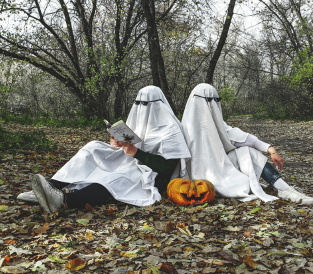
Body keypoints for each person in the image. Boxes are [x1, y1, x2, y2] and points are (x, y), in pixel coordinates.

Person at [18, 86, 191, 213]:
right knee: (93, 148)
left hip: (151, 175)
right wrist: (118, 143)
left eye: (147, 103)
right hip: (130, 160)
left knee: (114, 179)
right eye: (139, 103)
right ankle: (50, 187)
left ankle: (64, 200)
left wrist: (137, 153)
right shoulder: (138, 118)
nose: (143, 107)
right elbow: (133, 142)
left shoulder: (170, 129)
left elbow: (168, 167)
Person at [179, 83, 313, 204]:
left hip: (223, 168)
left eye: (216, 100)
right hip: (199, 181)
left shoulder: (218, 125)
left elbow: (241, 138)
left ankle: (285, 189)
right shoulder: (184, 129)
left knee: (247, 151)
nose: (212, 104)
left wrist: (270, 149)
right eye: (208, 100)